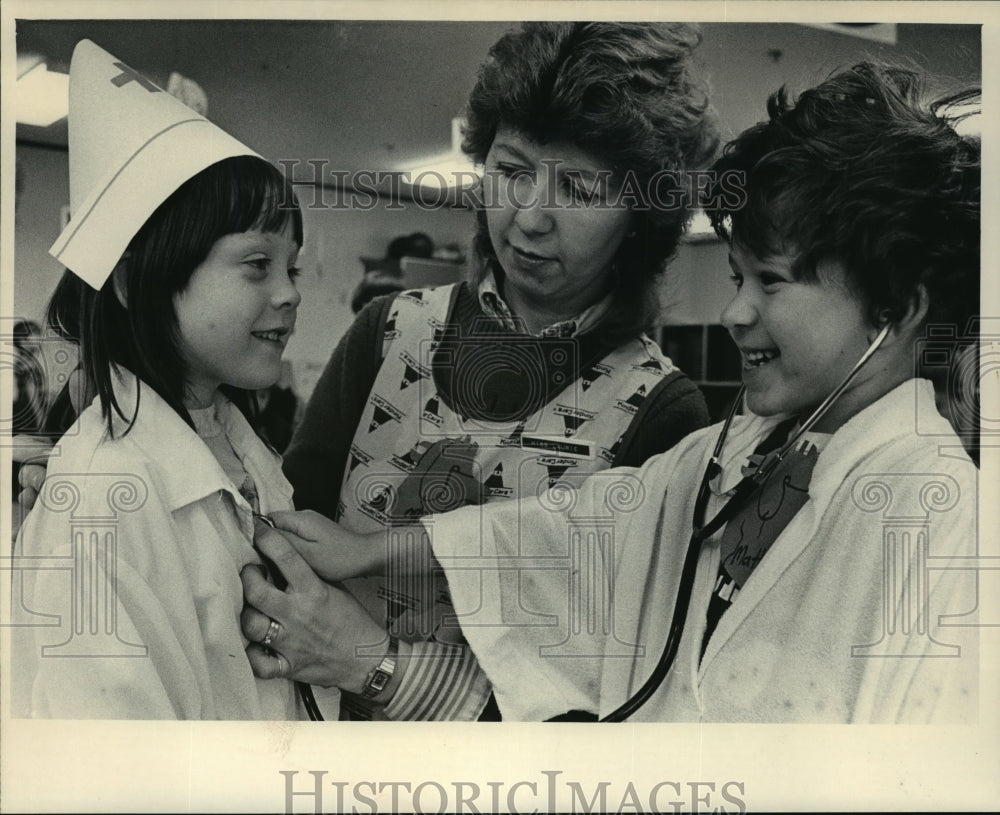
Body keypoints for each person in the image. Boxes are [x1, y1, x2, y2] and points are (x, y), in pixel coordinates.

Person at [244, 62, 980, 723]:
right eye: (735, 277)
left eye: (773, 281)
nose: (733, 312)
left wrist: (369, 660)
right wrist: (366, 553)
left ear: (898, 308)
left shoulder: (946, 534)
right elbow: (565, 531)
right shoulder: (733, 455)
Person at [260, 21, 718, 721]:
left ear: (641, 218)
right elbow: (278, 539)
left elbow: (612, 687)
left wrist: (372, 660)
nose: (531, 218)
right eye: (511, 170)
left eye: (580, 189)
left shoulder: (660, 409)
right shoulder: (389, 331)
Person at [11, 40, 304, 719]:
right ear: (135, 277)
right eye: (257, 264)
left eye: (294, 265)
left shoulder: (242, 447)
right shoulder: (99, 500)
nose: (291, 293)